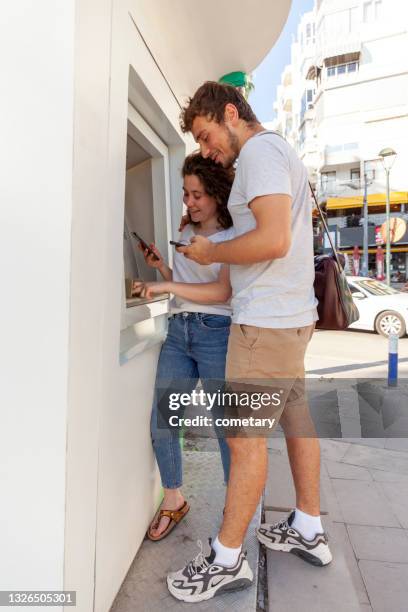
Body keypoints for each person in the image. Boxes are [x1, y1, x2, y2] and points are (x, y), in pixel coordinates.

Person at [166, 82, 332, 603]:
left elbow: (274, 239)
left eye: (207, 135)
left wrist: (212, 250)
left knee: (243, 441)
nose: (207, 149)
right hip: (289, 319)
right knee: (296, 421)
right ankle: (308, 528)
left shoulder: (260, 152)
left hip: (265, 324)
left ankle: (227, 558)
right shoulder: (276, 151)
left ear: (231, 112)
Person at [135, 152, 235, 541]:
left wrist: (168, 286)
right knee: (164, 418)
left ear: (215, 195)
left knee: (226, 428)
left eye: (197, 195)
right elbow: (187, 282)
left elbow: (221, 291)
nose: (190, 202)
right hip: (179, 331)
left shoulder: (230, 237)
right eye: (185, 193)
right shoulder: (185, 229)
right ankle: (173, 499)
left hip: (216, 332)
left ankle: (235, 510)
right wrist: (163, 268)